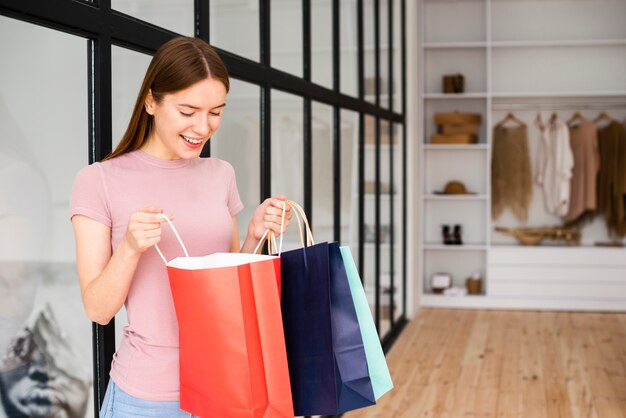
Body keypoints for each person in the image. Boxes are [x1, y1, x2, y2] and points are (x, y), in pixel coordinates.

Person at [70, 36, 291, 417]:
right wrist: (130, 248)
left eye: (215, 112)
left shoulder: (220, 174)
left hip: (226, 383)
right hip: (148, 396)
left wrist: (256, 234)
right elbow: (98, 310)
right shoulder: (99, 180)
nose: (202, 127)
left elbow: (227, 290)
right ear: (151, 101)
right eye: (188, 111)